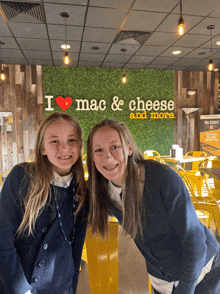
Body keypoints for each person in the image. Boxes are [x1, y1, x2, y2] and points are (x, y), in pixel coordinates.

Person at [86, 118, 220, 294]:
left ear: (129, 148)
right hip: (162, 281)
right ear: (92, 156)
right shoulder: (101, 190)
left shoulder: (160, 178)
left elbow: (195, 242)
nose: (108, 156)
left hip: (201, 274)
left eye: (115, 147)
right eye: (98, 150)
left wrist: (184, 290)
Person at [0, 112, 89, 294]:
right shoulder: (21, 177)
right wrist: (20, 289)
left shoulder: (82, 191)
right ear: (42, 148)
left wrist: (71, 288)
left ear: (80, 146)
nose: (64, 148)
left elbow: (76, 249)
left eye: (71, 140)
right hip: (17, 287)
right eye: (54, 141)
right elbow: (3, 236)